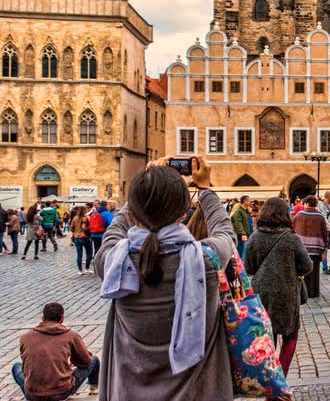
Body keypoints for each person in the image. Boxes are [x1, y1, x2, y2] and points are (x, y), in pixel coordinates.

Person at [95, 157, 236, 400]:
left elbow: (114, 232)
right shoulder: (206, 262)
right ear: (183, 212)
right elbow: (225, 232)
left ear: (135, 210)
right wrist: (205, 190)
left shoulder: (114, 262)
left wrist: (144, 189)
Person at [244, 197, 311, 376]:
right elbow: (307, 266)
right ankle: (281, 376)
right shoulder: (291, 238)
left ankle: (270, 377)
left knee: (268, 335)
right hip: (287, 292)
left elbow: (249, 268)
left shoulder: (254, 237)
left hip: (261, 293)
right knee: (290, 335)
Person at [12, 302, 99, 400]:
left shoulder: (25, 338)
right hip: (62, 392)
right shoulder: (71, 336)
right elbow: (85, 361)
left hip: (33, 394)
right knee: (94, 360)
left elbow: (26, 366)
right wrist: (69, 365)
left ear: (42, 318)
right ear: (62, 319)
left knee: (16, 367)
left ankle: (33, 396)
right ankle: (94, 388)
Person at [293, 196, 330, 299]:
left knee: (302, 270)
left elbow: (293, 228)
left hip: (301, 247)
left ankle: (304, 292)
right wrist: (324, 246)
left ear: (307, 203)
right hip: (316, 247)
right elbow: (324, 232)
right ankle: (314, 292)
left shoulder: (299, 215)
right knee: (315, 269)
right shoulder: (320, 216)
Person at [68, 206, 93, 276]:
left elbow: (71, 228)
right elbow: (84, 228)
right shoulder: (86, 218)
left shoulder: (75, 218)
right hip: (84, 237)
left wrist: (75, 231)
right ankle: (87, 269)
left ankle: (80, 270)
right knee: (89, 253)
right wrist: (90, 227)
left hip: (76, 238)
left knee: (79, 255)